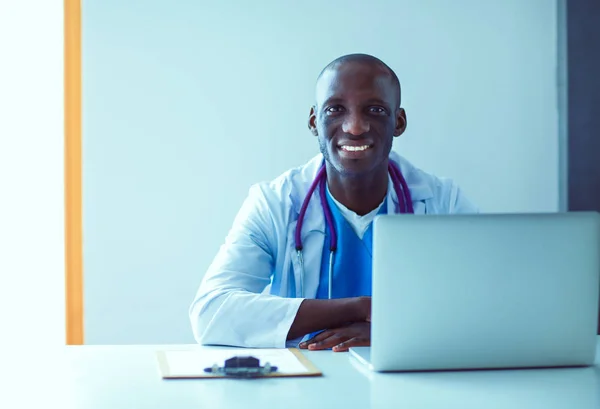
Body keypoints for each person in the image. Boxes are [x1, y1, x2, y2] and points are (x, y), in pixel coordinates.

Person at [189, 53, 478, 352]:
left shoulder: (443, 203)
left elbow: (493, 304)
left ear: (398, 122)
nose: (354, 126)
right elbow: (212, 313)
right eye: (335, 109)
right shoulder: (275, 203)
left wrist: (390, 330)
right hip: (305, 386)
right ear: (314, 121)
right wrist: (361, 309)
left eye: (375, 109)